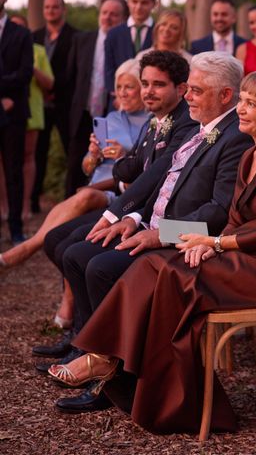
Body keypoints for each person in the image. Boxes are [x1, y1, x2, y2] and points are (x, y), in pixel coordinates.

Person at [48, 69, 256, 434]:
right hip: (225, 249)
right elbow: (225, 216)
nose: (188, 97)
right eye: (243, 101)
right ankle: (107, 360)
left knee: (158, 272)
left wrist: (208, 242)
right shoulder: (249, 152)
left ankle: (140, 382)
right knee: (144, 266)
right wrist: (139, 220)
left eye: (251, 103)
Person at [33, 50, 197, 360]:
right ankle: (82, 336)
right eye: (144, 83)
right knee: (60, 242)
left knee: (81, 254)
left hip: (165, 223)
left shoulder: (188, 126)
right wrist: (120, 167)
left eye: (157, 85)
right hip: (140, 211)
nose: (148, 91)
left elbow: (154, 175)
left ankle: (97, 349)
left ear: (181, 89)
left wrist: (121, 213)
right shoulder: (156, 120)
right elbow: (130, 166)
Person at [0, 60, 147, 271]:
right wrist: (94, 156)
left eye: (129, 87)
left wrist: (124, 156)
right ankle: (30, 246)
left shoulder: (151, 122)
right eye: (119, 87)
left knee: (86, 196)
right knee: (84, 197)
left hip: (120, 190)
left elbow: (149, 169)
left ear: (141, 89)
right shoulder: (111, 118)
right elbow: (86, 168)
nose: (123, 93)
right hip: (94, 184)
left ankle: (28, 247)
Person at [66, 0, 127, 197]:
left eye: (114, 14)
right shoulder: (81, 39)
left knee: (103, 160)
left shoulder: (124, 42)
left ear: (123, 18)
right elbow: (70, 76)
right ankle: (69, 203)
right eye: (105, 12)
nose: (108, 17)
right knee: (76, 162)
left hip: (111, 113)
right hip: (82, 111)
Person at [4, 15, 54, 222]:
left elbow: (49, 84)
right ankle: (4, 206)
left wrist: (30, 65)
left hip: (28, 107)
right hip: (6, 106)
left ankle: (25, 204)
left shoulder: (38, 51)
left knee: (26, 157)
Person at [31, 0, 78, 210]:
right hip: (38, 104)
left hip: (64, 102)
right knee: (37, 154)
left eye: (55, 7)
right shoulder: (34, 36)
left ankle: (71, 198)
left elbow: (74, 71)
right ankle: (33, 200)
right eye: (47, 7)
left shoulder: (75, 37)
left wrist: (55, 89)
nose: (51, 11)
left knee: (72, 150)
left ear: (63, 10)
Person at [0, 0, 34, 244]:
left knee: (13, 171)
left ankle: (16, 229)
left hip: (14, 113)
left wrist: (7, 97)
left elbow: (24, 73)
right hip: (4, 101)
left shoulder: (21, 34)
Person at [104, 0, 157, 105]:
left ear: (154, 4)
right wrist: (116, 94)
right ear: (128, 1)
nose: (138, 7)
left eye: (144, 3)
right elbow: (109, 69)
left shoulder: (159, 32)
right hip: (119, 100)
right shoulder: (114, 33)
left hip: (150, 101)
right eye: (134, 1)